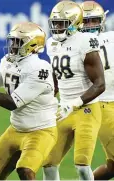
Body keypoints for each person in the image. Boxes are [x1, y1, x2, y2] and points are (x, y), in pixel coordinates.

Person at [0, 22, 58, 180]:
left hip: (41, 131)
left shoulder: (40, 68)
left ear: (32, 45)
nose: (12, 45)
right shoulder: (8, 61)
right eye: (12, 40)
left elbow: (13, 102)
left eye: (18, 41)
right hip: (15, 128)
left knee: (25, 170)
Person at [41, 1, 106, 180]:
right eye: (55, 23)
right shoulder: (52, 43)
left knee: (82, 165)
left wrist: (75, 103)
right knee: (48, 163)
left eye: (62, 23)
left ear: (75, 23)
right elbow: (56, 75)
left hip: (86, 110)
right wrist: (49, 98)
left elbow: (100, 83)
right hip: (63, 109)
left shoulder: (85, 41)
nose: (57, 27)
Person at [80, 1, 114, 179]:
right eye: (86, 21)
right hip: (102, 104)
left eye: (93, 21)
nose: (90, 25)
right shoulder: (76, 46)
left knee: (112, 166)